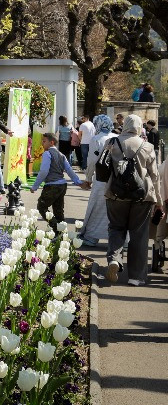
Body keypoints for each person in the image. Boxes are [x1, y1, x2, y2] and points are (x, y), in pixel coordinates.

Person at [103, 114, 163, 286]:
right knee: (139, 234)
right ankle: (136, 277)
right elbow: (155, 175)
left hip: (115, 194)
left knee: (116, 228)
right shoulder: (147, 146)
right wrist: (158, 201)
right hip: (142, 196)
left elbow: (100, 164)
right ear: (138, 127)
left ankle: (114, 259)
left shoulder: (112, 143)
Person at [30, 133, 83, 232]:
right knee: (58, 211)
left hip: (52, 185)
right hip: (62, 185)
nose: (42, 143)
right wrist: (77, 181)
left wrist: (35, 186)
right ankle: (62, 233)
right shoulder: (61, 155)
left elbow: (44, 171)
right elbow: (69, 169)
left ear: (52, 142)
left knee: (42, 207)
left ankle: (56, 228)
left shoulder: (47, 153)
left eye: (44, 141)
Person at [79, 114, 116, 246]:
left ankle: (92, 236)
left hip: (101, 179)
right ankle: (121, 240)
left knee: (97, 207)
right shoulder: (116, 137)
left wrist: (88, 179)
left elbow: (91, 162)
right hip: (116, 180)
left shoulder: (96, 139)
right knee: (116, 210)